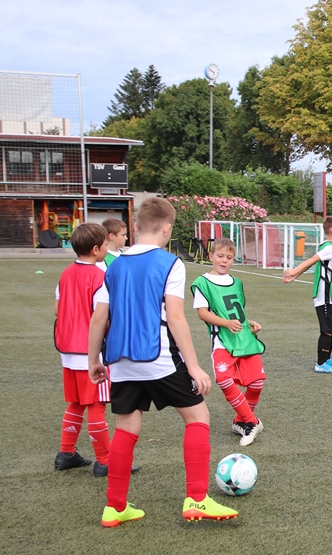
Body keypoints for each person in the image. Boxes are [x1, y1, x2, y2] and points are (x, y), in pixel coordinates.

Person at [88, 197, 238, 527]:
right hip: (157, 356)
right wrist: (195, 366)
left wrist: (93, 361)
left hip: (120, 359)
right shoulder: (171, 263)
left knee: (127, 427)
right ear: (167, 228)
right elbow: (175, 318)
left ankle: (115, 506)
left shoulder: (113, 265)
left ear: (137, 226)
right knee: (198, 414)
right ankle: (197, 499)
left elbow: (99, 318)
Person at [53, 222, 116, 476]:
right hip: (90, 351)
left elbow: (57, 310)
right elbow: (103, 317)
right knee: (97, 404)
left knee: (76, 402)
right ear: (95, 249)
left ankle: (66, 453)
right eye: (104, 245)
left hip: (66, 348)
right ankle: (105, 460)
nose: (106, 249)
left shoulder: (66, 273)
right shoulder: (99, 277)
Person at [191, 238, 266, 447]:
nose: (224, 261)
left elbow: (237, 312)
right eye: (220, 256)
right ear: (211, 257)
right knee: (224, 380)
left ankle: (240, 421)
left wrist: (248, 322)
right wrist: (225, 323)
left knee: (257, 383)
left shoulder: (237, 283)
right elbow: (203, 314)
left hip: (244, 339)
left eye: (229, 257)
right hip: (223, 342)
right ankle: (252, 422)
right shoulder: (202, 283)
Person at [282, 216, 332, 373]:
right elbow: (311, 260)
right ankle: (321, 363)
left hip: (331, 295)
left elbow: (314, 264)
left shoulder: (329, 248)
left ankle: (327, 357)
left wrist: (295, 276)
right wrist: (294, 271)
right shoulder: (328, 248)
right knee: (327, 329)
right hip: (324, 296)